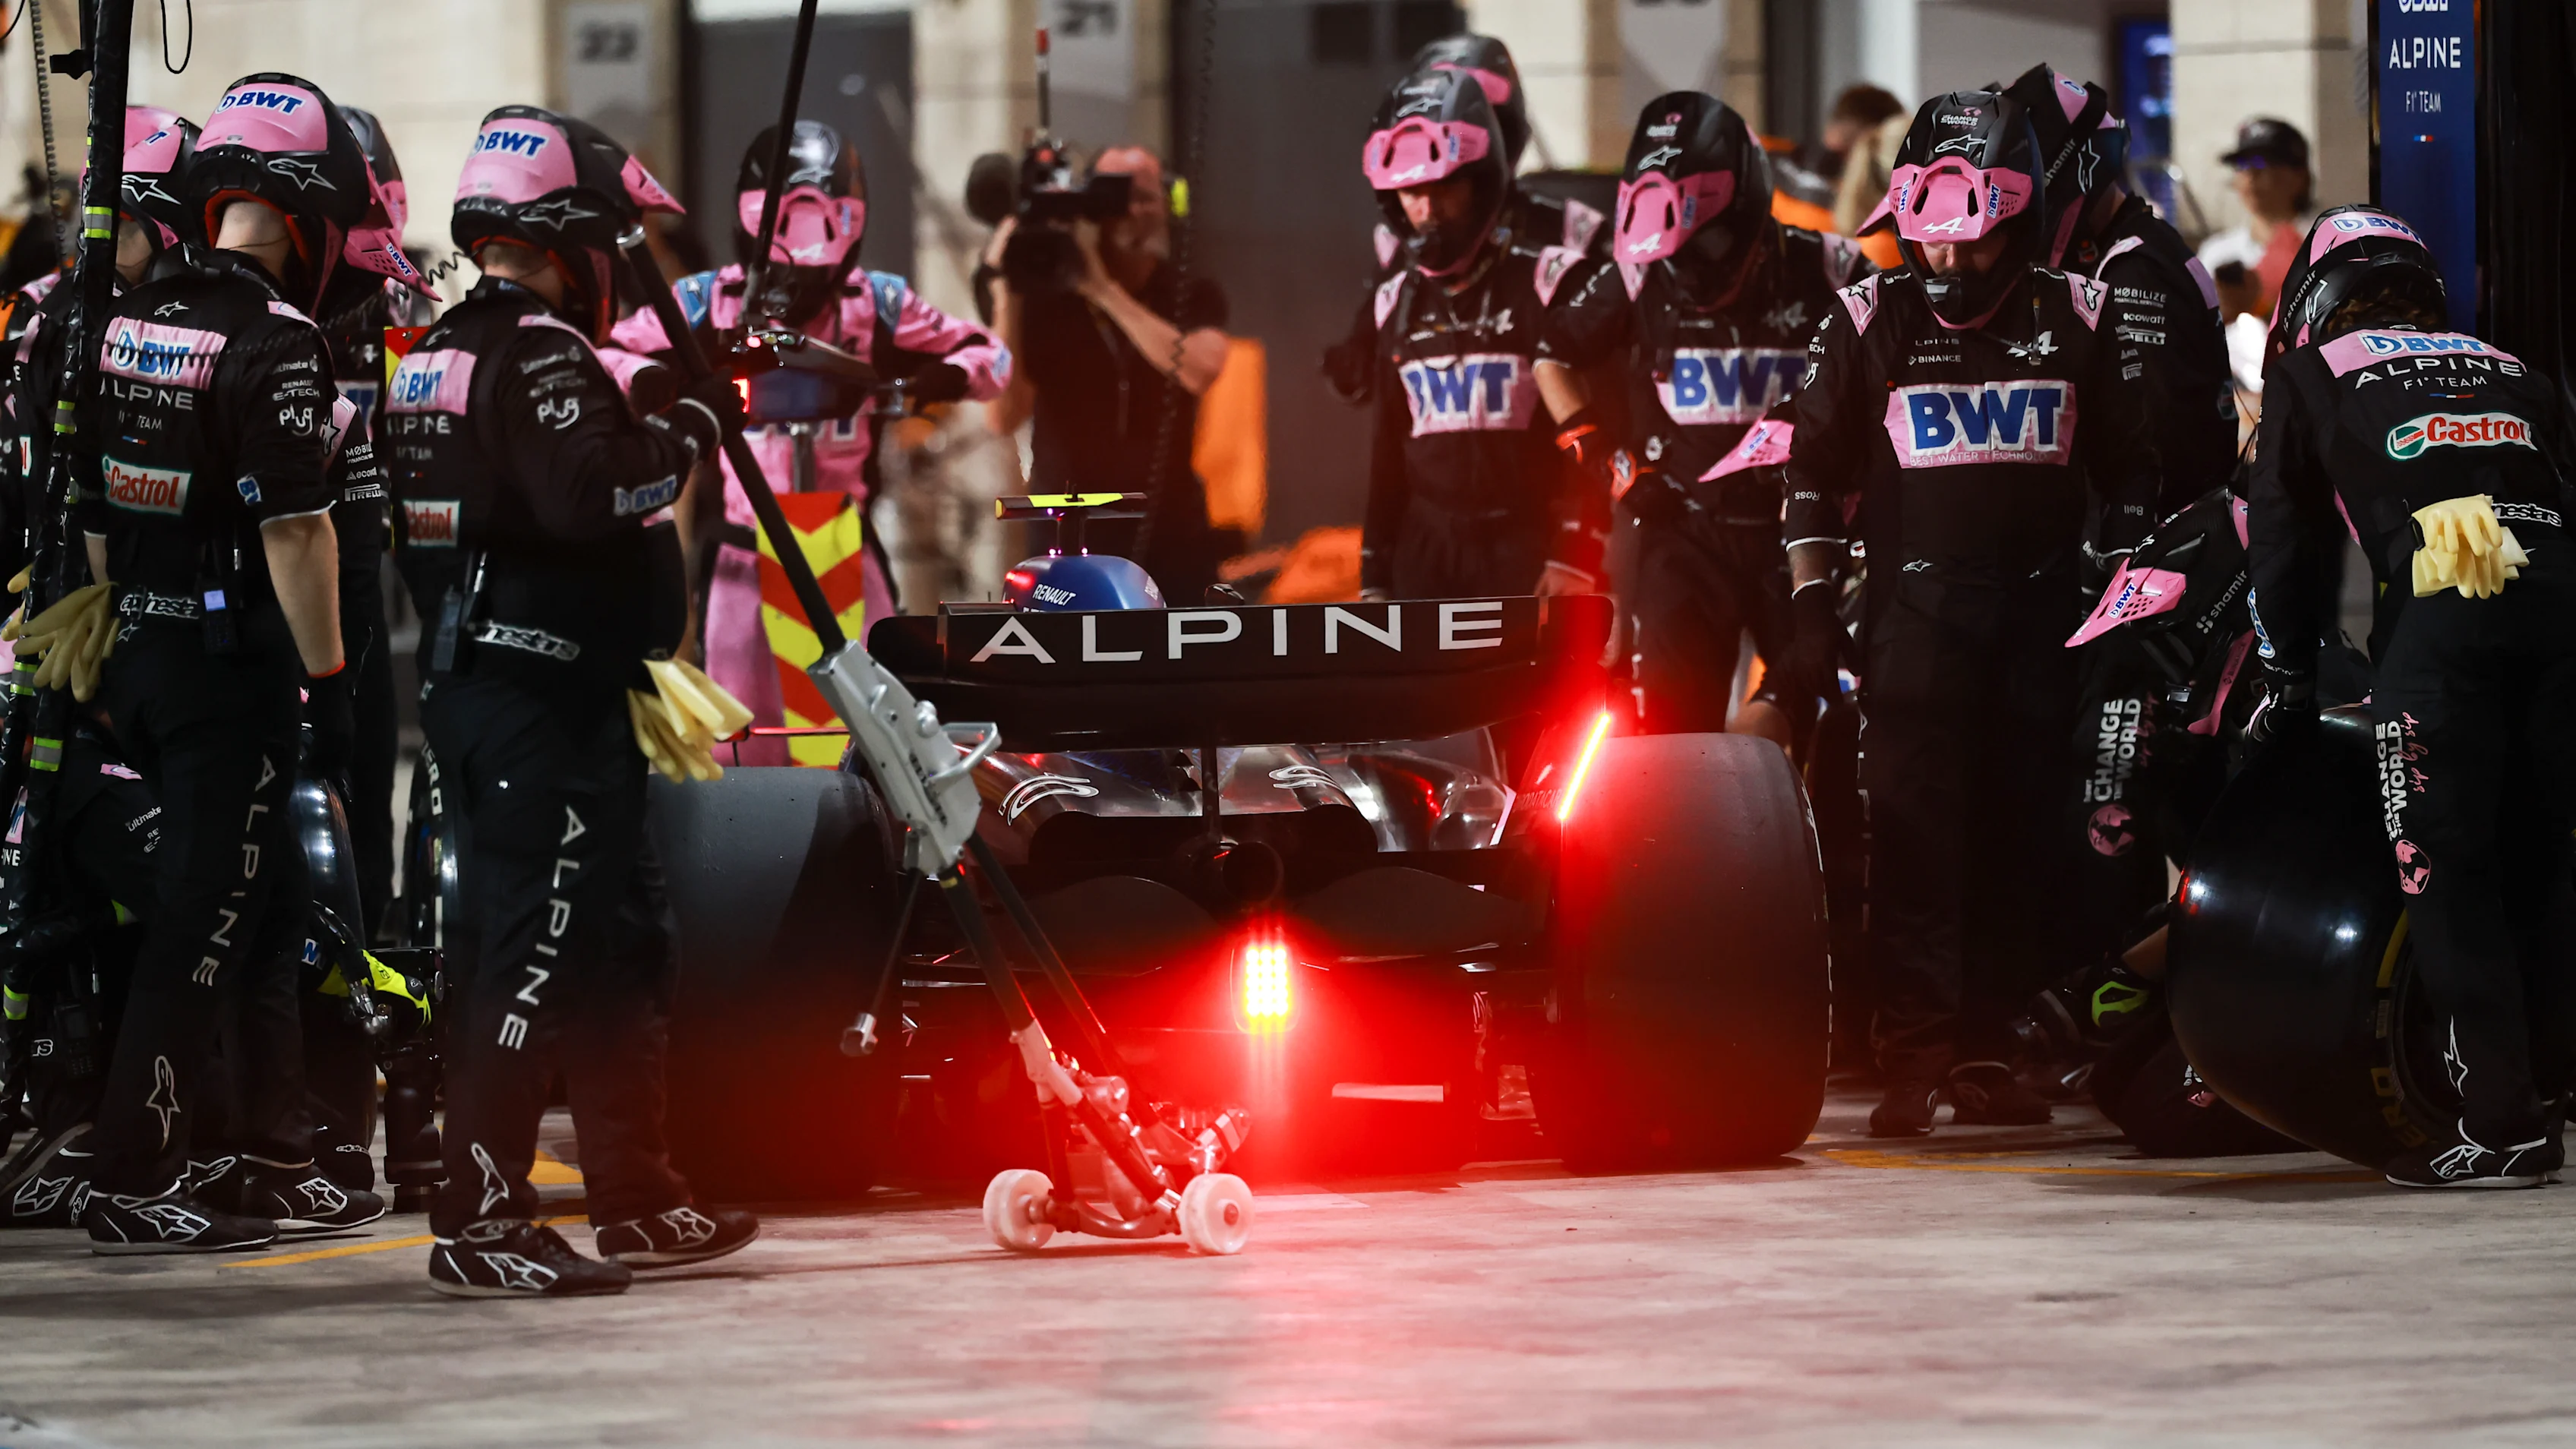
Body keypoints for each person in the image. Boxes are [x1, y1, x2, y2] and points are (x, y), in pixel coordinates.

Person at [386, 104, 756, 1296]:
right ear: (574, 244)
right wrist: (692, 423)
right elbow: (594, 496)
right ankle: (482, 1222)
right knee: (531, 955)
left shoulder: (436, 351)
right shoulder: (539, 351)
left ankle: (637, 1200)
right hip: (534, 706)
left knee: (618, 944)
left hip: (531, 695)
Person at [68, 72, 406, 1251]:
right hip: (230, 676)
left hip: (141, 653)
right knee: (202, 923)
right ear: (307, 214)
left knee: (247, 912)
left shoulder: (128, 319)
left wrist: (126, 623)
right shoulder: (280, 338)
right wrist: (329, 684)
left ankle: (249, 1160)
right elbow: (298, 532)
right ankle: (133, 1179)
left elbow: (95, 508)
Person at [1785, 89, 2145, 1137]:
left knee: (2018, 846)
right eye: (1929, 242)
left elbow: (2132, 477)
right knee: (1911, 849)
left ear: (2019, 222)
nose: (1945, 262)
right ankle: (1912, 1058)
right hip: (1913, 629)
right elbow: (1808, 479)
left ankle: (1991, 1054)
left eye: (1970, 243)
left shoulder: (2084, 314)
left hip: (2044, 630)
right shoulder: (1867, 317)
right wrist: (1810, 609)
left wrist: (2120, 600)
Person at [2244, 205, 2576, 1188]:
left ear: (2312, 299)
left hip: (2444, 616)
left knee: (2446, 868)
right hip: (2561, 608)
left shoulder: (2309, 374)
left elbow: (2283, 546)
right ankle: (2550, 1090)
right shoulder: (2513, 367)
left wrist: (2288, 678)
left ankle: (2502, 1123)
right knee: (2546, 859)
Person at [612, 120, 1009, 766]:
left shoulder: (878, 303)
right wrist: (655, 380)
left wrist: (935, 380)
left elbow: (993, 359)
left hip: (841, 547)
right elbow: (608, 355)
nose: (798, 293)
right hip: (743, 556)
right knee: (743, 747)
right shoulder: (710, 300)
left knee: (867, 745)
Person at [2000, 64, 2240, 970]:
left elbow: (2141, 458)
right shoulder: (2116, 255)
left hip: (2153, 592)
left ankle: (2107, 994)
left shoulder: (2132, 271)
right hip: (2145, 578)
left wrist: (2103, 582)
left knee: (2109, 795)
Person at [1541, 91, 1870, 738]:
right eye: (1673, 251)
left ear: (1746, 211)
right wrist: (1604, 457)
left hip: (1801, 537)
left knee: (1830, 715)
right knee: (1672, 736)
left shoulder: (1832, 267)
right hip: (1682, 533)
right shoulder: (1637, 274)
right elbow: (1552, 355)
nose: (1688, 268)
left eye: (1706, 245)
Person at [1355, 67, 1608, 601]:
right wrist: (1374, 574)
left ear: (1481, 182)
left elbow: (1596, 433)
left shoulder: (1550, 281)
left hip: (1532, 550)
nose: (1427, 210)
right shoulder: (1393, 300)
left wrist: (1575, 553)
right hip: (1427, 552)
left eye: (1444, 187)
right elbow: (1385, 451)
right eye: (1411, 191)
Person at [986, 144, 1228, 602]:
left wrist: (1101, 289)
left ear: (1169, 204)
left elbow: (1200, 369)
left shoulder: (1189, 291)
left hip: (1172, 532)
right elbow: (1001, 416)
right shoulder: (1047, 301)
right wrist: (1006, 293)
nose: (1132, 211)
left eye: (1145, 198)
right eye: (1118, 197)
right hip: (1067, 537)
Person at [1322, 33, 1610, 409]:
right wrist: (1358, 349)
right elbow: (1367, 368)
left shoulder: (1573, 226)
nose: (1429, 205)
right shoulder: (1404, 240)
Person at [2195, 118, 2315, 324]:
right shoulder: (2217, 252)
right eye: (2242, 164)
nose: (2251, 174)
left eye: (2263, 162)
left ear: (2299, 176)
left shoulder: (2323, 242)